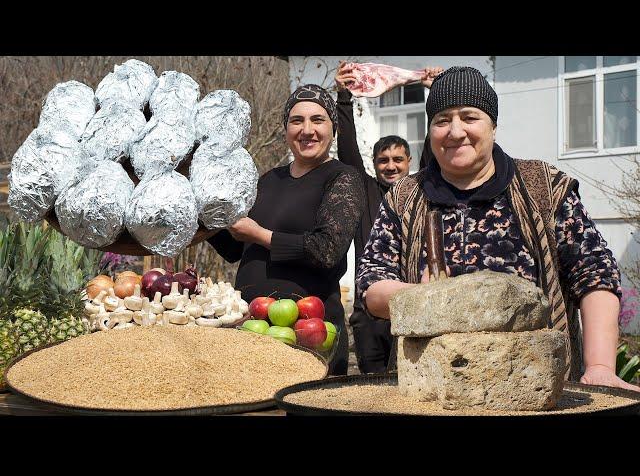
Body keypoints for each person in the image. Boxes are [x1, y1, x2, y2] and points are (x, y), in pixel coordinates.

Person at [355, 66, 639, 391]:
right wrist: (437, 299)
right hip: (429, 390)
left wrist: (601, 366)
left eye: (469, 117)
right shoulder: (405, 196)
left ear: (493, 125)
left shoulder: (544, 187)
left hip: (536, 389)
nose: (455, 131)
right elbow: (371, 284)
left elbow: (596, 273)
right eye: (442, 120)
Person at [208, 83, 365, 376]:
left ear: (333, 127)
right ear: (286, 129)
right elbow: (233, 249)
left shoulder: (342, 178)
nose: (307, 130)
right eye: (297, 120)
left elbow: (326, 249)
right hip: (251, 330)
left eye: (317, 120)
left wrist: (259, 234)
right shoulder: (269, 180)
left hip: (309, 335)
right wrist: (206, 218)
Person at [334, 62, 442, 373]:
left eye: (398, 159)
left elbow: (434, 149)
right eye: (383, 160)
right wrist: (344, 96)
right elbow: (347, 149)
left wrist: (433, 94)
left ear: (410, 161)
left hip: (414, 308)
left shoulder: (421, 190)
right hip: (368, 313)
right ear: (375, 164)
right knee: (372, 392)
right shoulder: (364, 190)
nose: (391, 166)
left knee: (412, 389)